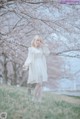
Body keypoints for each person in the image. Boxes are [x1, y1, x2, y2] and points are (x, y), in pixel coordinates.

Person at [23, 35, 50, 102]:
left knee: (40, 84)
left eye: (40, 40)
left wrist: (44, 46)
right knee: (38, 83)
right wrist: (26, 64)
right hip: (35, 66)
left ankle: (39, 99)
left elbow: (47, 53)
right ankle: (35, 98)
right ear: (34, 41)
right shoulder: (31, 49)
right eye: (37, 40)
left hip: (41, 66)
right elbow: (29, 58)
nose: (39, 42)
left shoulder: (41, 49)